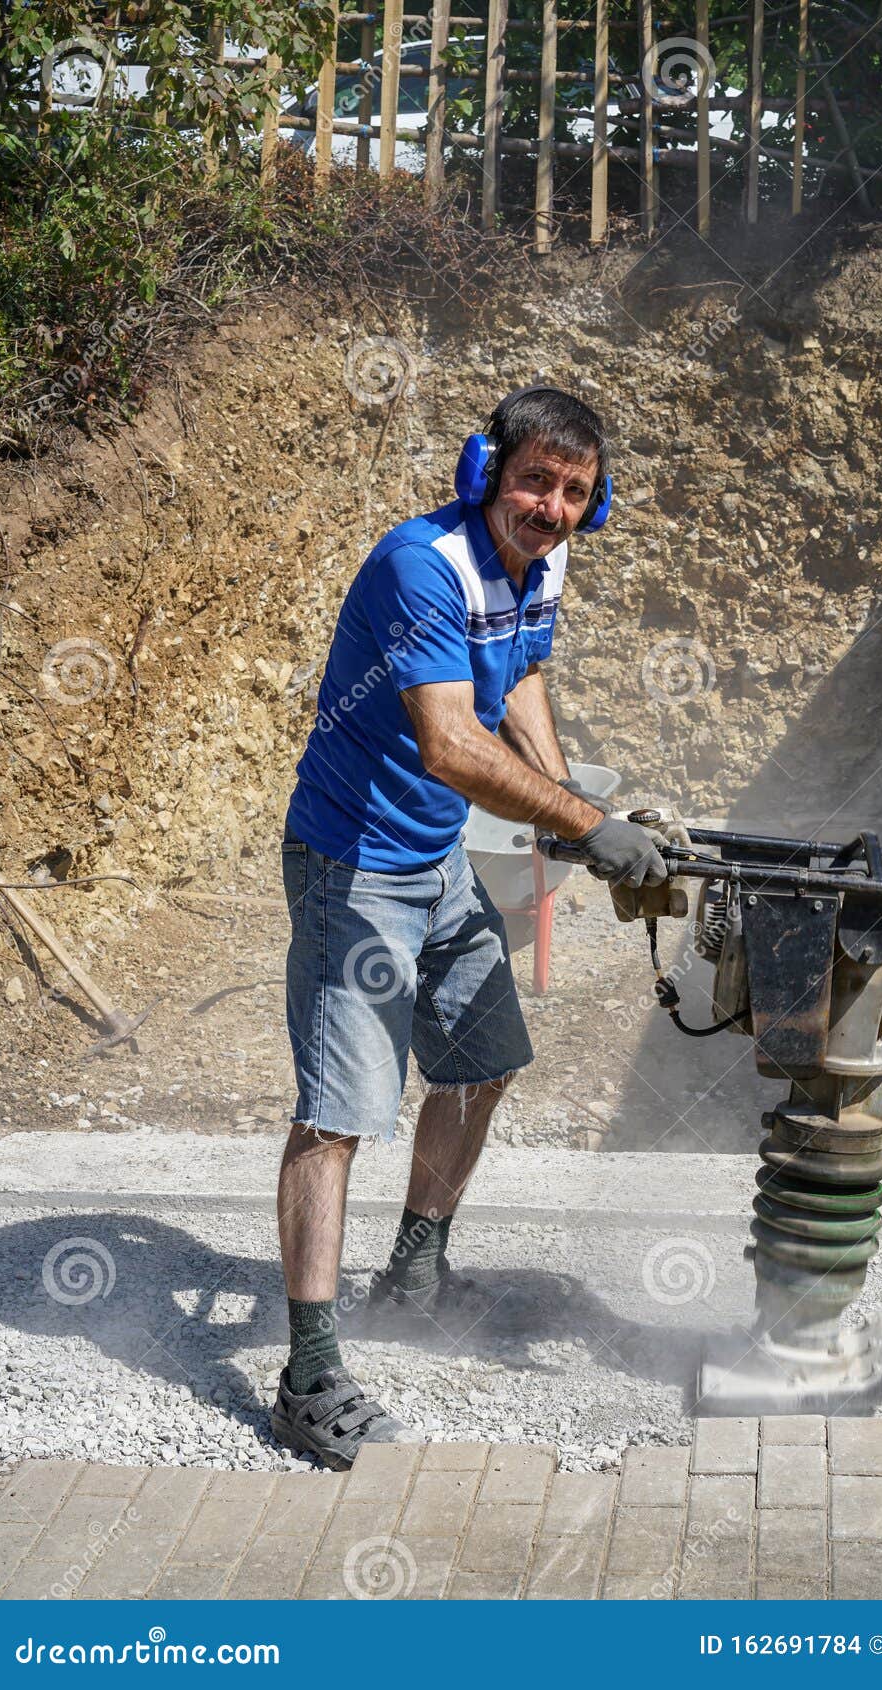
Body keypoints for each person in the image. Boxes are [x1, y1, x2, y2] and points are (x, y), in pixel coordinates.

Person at [272, 385, 667, 1467]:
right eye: (535, 481)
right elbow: (448, 743)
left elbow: (523, 672)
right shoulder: (424, 565)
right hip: (354, 865)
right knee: (338, 1114)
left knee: (481, 1061)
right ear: (487, 471)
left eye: (574, 492)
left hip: (438, 859)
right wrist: (584, 822)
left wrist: (571, 813)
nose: (551, 508)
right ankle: (307, 1375)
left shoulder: (544, 563)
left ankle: (413, 1273)